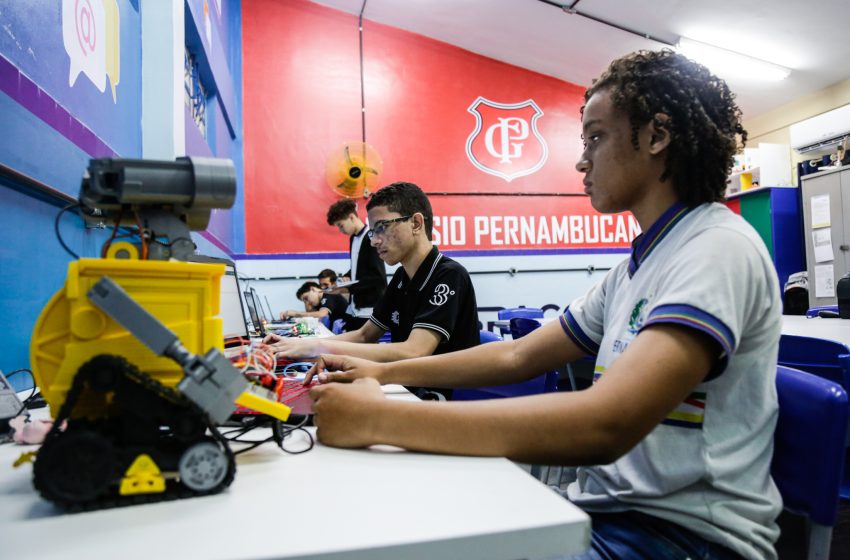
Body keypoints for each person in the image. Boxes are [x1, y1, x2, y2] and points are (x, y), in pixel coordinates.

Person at [305, 51, 782, 560]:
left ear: (657, 136)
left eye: (595, 138)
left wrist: (379, 420)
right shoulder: (634, 268)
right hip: (610, 515)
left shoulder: (716, 247)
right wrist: (378, 374)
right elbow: (516, 355)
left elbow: (606, 424)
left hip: (684, 537)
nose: (581, 160)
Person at [265, 182, 481, 399]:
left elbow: (414, 351)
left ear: (416, 223)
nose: (375, 241)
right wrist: (302, 345)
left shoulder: (449, 275)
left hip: (443, 399)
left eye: (382, 227)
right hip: (409, 388)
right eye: (373, 232)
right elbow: (364, 335)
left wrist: (321, 347)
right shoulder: (401, 277)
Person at [325, 199, 387, 330]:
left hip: (369, 309)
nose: (341, 230)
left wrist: (348, 289)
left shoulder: (371, 238)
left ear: (352, 217)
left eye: (341, 225)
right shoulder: (353, 238)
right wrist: (346, 277)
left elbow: (377, 278)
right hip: (354, 307)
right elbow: (358, 267)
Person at [279, 281, 353, 328]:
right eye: (304, 301)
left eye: (306, 298)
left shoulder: (329, 294)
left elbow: (322, 315)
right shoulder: (319, 301)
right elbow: (310, 314)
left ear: (313, 289)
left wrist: (296, 313)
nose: (307, 303)